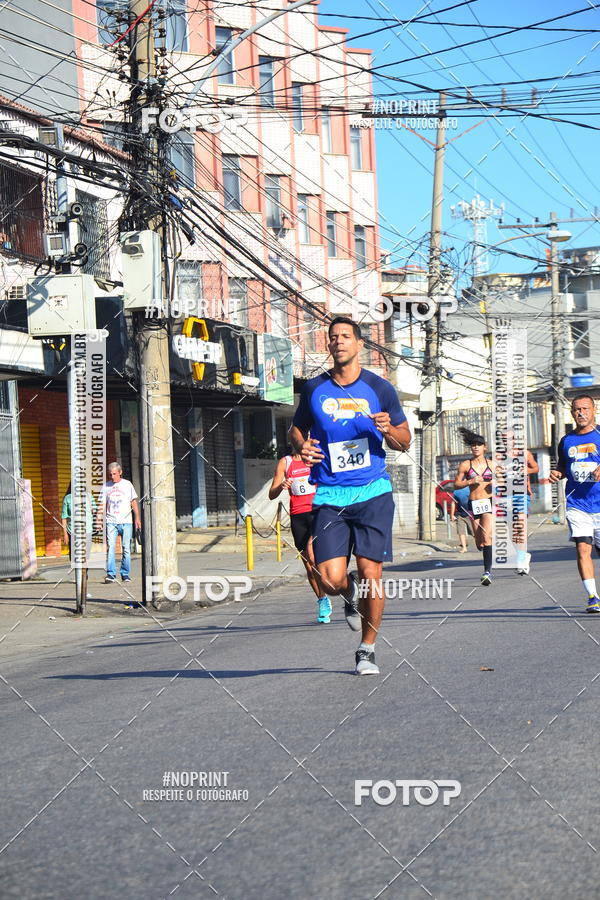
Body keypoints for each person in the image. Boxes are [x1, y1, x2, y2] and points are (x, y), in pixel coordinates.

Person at [290, 316, 411, 675]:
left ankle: (367, 649)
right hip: (330, 494)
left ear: (360, 345)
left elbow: (404, 440)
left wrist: (390, 430)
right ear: (328, 346)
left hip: (373, 492)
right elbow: (296, 429)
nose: (338, 341)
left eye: (345, 336)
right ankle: (349, 592)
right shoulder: (314, 389)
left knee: (372, 571)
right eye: (333, 337)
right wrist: (302, 445)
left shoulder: (380, 388)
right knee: (329, 579)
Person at [549, 395, 600, 613]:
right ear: (571, 413)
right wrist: (556, 473)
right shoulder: (566, 440)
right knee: (582, 548)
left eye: (585, 409)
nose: (581, 413)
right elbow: (563, 467)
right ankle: (592, 597)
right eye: (577, 409)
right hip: (577, 504)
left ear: (594, 410)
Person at [268, 453, 331, 623]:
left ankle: (339, 585)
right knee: (308, 565)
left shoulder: (316, 456)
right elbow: (271, 494)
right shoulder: (285, 462)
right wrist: (281, 486)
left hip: (317, 512)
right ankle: (322, 600)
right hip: (298, 516)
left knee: (313, 556)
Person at [454, 427, 500, 586]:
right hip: (474, 503)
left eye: (479, 444)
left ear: (484, 447)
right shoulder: (466, 465)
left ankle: (487, 572)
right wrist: (470, 482)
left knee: (487, 536)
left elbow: (503, 481)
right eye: (473, 444)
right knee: (479, 541)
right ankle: (483, 548)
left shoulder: (492, 465)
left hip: (489, 502)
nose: (476, 447)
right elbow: (456, 484)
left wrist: (496, 483)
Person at [97, 462, 141, 584]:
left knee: (126, 548)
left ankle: (125, 574)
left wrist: (137, 518)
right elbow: (101, 505)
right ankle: (111, 574)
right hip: (111, 522)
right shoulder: (106, 486)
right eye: (110, 474)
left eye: (115, 474)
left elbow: (133, 502)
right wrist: (98, 520)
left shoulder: (127, 485)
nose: (112, 477)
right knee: (111, 547)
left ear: (120, 472)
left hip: (126, 522)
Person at [61, 481, 96, 599]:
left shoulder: (89, 496)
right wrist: (65, 534)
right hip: (73, 532)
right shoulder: (68, 498)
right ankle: (78, 577)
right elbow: (64, 517)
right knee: (74, 557)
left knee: (86, 557)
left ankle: (84, 578)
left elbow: (95, 510)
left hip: (87, 530)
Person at [452, 485, 472, 553]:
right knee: (461, 532)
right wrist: (452, 515)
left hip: (470, 514)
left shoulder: (470, 489)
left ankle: (482, 544)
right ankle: (464, 547)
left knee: (473, 532)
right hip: (460, 514)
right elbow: (453, 503)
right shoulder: (456, 491)